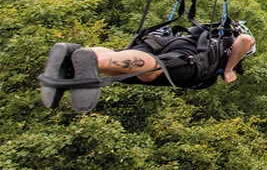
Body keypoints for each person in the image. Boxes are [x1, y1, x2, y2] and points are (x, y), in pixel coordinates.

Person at [40, 21, 255, 113]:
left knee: (124, 65)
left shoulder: (204, 37)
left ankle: (79, 57)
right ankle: (95, 61)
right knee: (152, 71)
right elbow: (246, 40)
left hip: (165, 42)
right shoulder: (227, 47)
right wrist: (228, 70)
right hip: (190, 61)